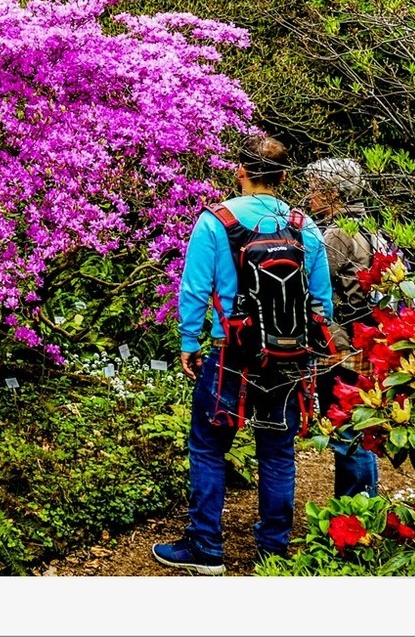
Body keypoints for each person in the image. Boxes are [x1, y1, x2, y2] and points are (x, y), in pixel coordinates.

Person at [152, 135, 334, 575]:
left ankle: (206, 548)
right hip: (287, 357)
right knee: (277, 451)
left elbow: (194, 289)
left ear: (240, 171)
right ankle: (273, 554)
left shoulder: (216, 221)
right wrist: (311, 353)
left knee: (209, 446)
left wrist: (189, 342)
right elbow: (322, 304)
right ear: (285, 176)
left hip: (230, 354)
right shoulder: (303, 226)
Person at [305, 157, 380, 498]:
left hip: (343, 344)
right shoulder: (371, 228)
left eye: (313, 189)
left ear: (332, 193)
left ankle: (356, 509)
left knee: (348, 428)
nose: (309, 197)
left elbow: (314, 285)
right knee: (361, 424)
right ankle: (362, 503)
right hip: (369, 339)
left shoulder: (337, 234)